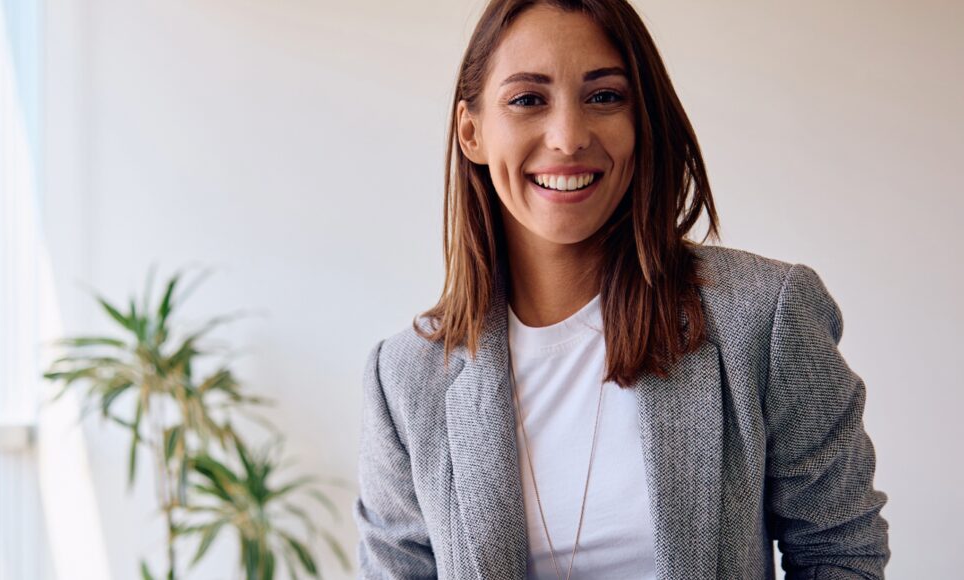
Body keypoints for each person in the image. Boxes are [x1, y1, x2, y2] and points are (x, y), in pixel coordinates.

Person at [351, 0, 890, 578]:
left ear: (641, 121)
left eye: (604, 96)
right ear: (472, 131)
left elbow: (841, 551)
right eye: (528, 99)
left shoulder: (763, 314)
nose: (567, 137)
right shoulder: (405, 378)